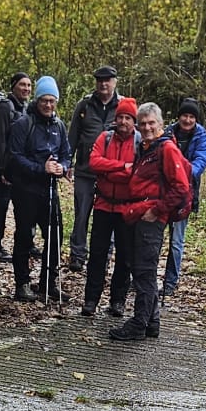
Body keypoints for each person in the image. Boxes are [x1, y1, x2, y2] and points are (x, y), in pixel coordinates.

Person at [110, 102, 191, 342]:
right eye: (143, 123)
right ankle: (152, 322)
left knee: (144, 272)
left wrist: (157, 210)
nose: (146, 127)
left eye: (151, 123)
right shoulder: (147, 148)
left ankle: (139, 323)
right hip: (139, 213)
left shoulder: (167, 149)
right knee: (142, 269)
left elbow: (181, 188)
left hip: (151, 217)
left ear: (161, 124)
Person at [7, 75, 72, 302]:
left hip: (50, 190)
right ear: (37, 100)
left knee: (55, 236)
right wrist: (40, 168)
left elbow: (66, 154)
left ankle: (48, 282)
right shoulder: (24, 124)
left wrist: (62, 167)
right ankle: (22, 283)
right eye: (44, 100)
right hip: (26, 190)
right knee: (25, 237)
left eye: (52, 101)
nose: (48, 105)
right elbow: (14, 157)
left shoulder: (59, 125)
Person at [83, 97, 138, 318]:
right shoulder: (105, 138)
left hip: (127, 208)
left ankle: (117, 301)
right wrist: (122, 167)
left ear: (134, 121)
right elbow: (94, 163)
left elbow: (136, 174)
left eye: (128, 118)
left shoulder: (139, 143)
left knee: (125, 257)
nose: (123, 121)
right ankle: (90, 300)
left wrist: (109, 171)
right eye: (120, 117)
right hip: (103, 204)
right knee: (97, 254)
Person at [68, 65, 120, 272]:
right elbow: (73, 135)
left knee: (108, 216)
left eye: (107, 80)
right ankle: (77, 254)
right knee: (81, 214)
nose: (103, 84)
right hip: (85, 169)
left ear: (115, 82)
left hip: (111, 173)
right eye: (100, 80)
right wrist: (67, 162)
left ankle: (104, 256)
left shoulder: (123, 106)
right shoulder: (84, 105)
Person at [162, 98, 206, 298]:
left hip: (185, 195)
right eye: (185, 115)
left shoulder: (202, 137)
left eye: (192, 116)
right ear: (179, 116)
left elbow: (200, 162)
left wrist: (179, 171)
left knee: (176, 241)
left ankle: (170, 283)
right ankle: (145, 277)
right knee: (154, 238)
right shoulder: (168, 132)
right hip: (163, 193)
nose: (188, 120)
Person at [0, 73, 32, 262]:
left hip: (21, 167)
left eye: (29, 85)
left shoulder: (26, 108)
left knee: (25, 207)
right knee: (1, 206)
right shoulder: (5, 107)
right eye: (22, 84)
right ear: (13, 86)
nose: (26, 89)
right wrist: (2, 169)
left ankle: (27, 243)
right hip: (7, 168)